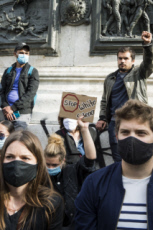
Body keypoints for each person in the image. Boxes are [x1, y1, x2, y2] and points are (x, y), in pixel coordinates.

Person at [75, 99, 153, 230]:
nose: (132, 139)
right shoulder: (94, 183)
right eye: (125, 132)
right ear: (116, 137)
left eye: (141, 133)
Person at [96, 31, 153, 162]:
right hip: (115, 123)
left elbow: (149, 62)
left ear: (132, 60)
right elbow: (105, 100)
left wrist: (147, 45)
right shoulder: (110, 78)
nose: (122, 61)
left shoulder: (139, 73)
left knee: (138, 155)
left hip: (137, 119)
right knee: (118, 158)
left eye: (126, 58)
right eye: (120, 58)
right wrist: (103, 118)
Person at [0, 130, 63, 230]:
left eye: (25, 158)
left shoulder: (50, 204)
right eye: (10, 157)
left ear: (38, 163)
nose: (16, 164)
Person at [45, 117, 96, 229]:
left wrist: (85, 130)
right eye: (47, 164)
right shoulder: (42, 177)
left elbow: (90, 158)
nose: (50, 168)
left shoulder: (72, 170)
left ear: (63, 160)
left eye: (54, 165)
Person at [1, 42, 39, 130]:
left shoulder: (33, 71)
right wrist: (5, 107)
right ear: (15, 54)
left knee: (18, 137)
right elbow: (1, 90)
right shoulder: (8, 71)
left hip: (22, 113)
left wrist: (13, 108)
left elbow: (30, 94)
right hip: (6, 112)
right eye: (21, 53)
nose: (24, 55)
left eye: (26, 53)